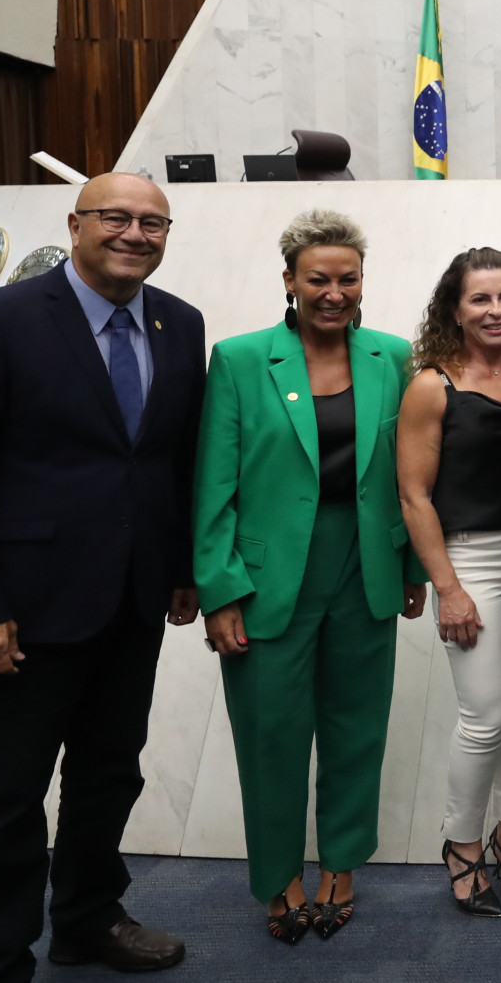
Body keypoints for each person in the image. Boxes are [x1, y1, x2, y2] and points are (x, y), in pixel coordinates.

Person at [0, 173, 204, 982]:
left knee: (110, 773)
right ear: (76, 223)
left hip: (131, 600)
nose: (135, 233)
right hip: (17, 611)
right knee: (8, 797)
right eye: (116, 217)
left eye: (153, 222)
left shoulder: (179, 323)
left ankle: (86, 919)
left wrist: (179, 570)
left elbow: (169, 462)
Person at [192, 208, 427, 944]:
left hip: (365, 567)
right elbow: (213, 484)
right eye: (317, 278)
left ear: (363, 282)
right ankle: (279, 879)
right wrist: (219, 588)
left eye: (347, 278)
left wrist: (414, 564)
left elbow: (412, 472)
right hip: (266, 583)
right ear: (289, 281)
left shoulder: (394, 357)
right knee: (272, 736)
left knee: (358, 728)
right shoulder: (238, 358)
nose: (334, 292)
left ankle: (342, 866)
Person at [397, 248, 501, 918]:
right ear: (454, 309)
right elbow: (412, 494)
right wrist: (448, 586)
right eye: (480, 299)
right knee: (483, 715)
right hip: (471, 560)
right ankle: (461, 844)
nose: (496, 311)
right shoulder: (433, 384)